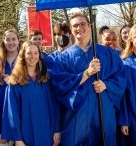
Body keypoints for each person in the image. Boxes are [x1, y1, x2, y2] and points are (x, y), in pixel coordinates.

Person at [51, 12, 126, 145]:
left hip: (103, 110)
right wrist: (86, 73)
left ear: (90, 26)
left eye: (82, 24)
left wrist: (106, 85)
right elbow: (60, 85)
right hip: (77, 114)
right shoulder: (64, 58)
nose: (79, 28)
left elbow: (120, 76)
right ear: (71, 30)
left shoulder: (106, 53)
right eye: (75, 26)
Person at [1, 41, 60, 146]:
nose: (32, 56)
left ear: (39, 55)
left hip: (47, 131)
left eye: (36, 53)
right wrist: (18, 139)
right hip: (26, 134)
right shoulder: (15, 82)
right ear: (23, 55)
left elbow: (54, 106)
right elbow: (12, 113)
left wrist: (56, 130)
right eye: (29, 53)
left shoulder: (46, 78)